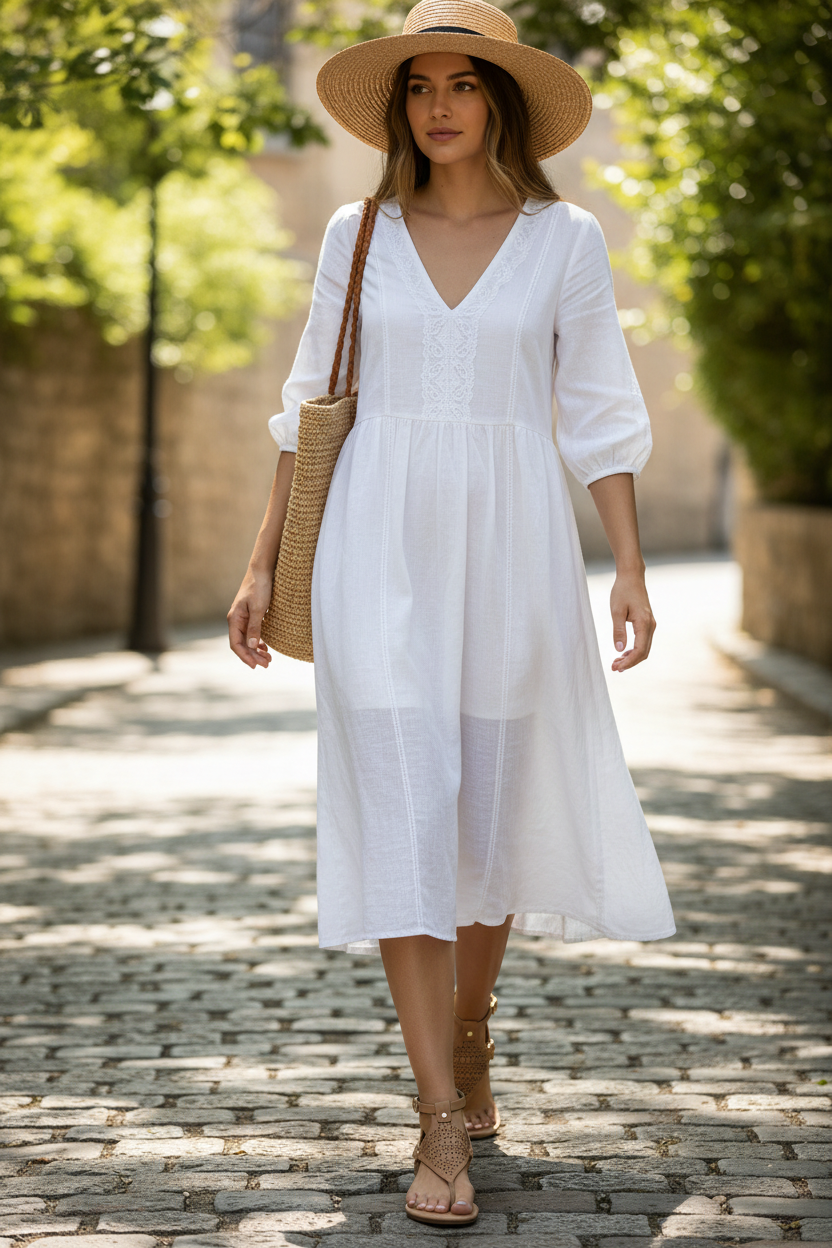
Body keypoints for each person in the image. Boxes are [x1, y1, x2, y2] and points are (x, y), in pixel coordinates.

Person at [228, 0, 675, 1227]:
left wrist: (629, 567)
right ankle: (437, 1114)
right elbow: (309, 405)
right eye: (419, 86)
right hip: (373, 548)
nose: (438, 106)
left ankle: (470, 1027)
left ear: (500, 100)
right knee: (404, 810)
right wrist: (263, 566)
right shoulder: (357, 231)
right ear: (398, 108)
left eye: (462, 84)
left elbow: (598, 407)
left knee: (482, 820)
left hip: (514, 553)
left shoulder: (564, 237)